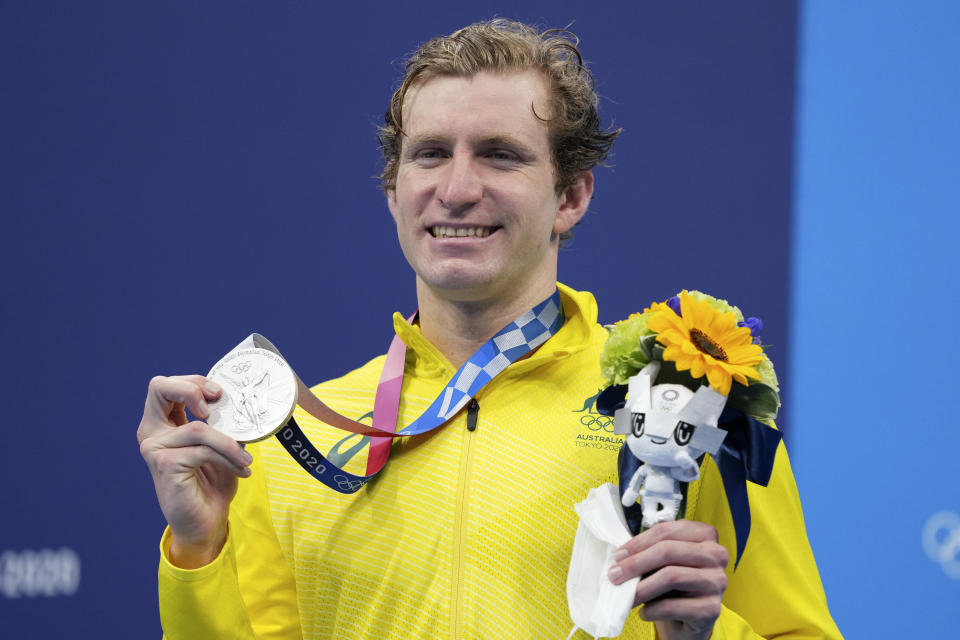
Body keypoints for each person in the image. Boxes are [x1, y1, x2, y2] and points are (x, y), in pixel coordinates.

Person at [137, 19, 842, 640]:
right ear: (393, 192)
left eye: (500, 154)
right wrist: (199, 550)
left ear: (571, 195)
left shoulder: (684, 405)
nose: (457, 188)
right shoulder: (299, 439)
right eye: (430, 153)